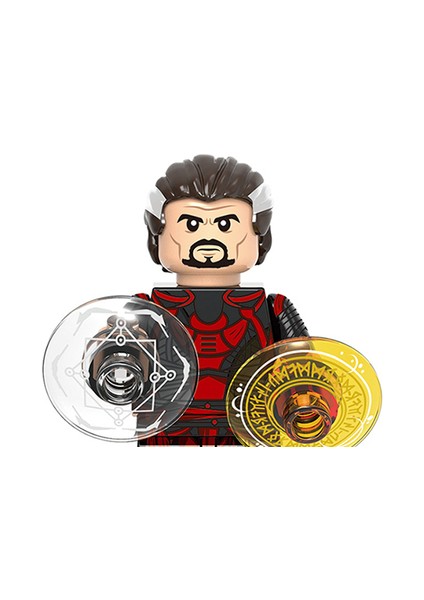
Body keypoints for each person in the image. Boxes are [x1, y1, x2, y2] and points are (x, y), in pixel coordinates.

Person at [136, 155, 308, 446]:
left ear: (259, 234)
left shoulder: (274, 309)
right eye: (191, 224)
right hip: (165, 429)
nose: (207, 239)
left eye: (225, 224)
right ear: (158, 233)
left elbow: (307, 370)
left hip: (252, 429)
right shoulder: (145, 310)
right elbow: (110, 360)